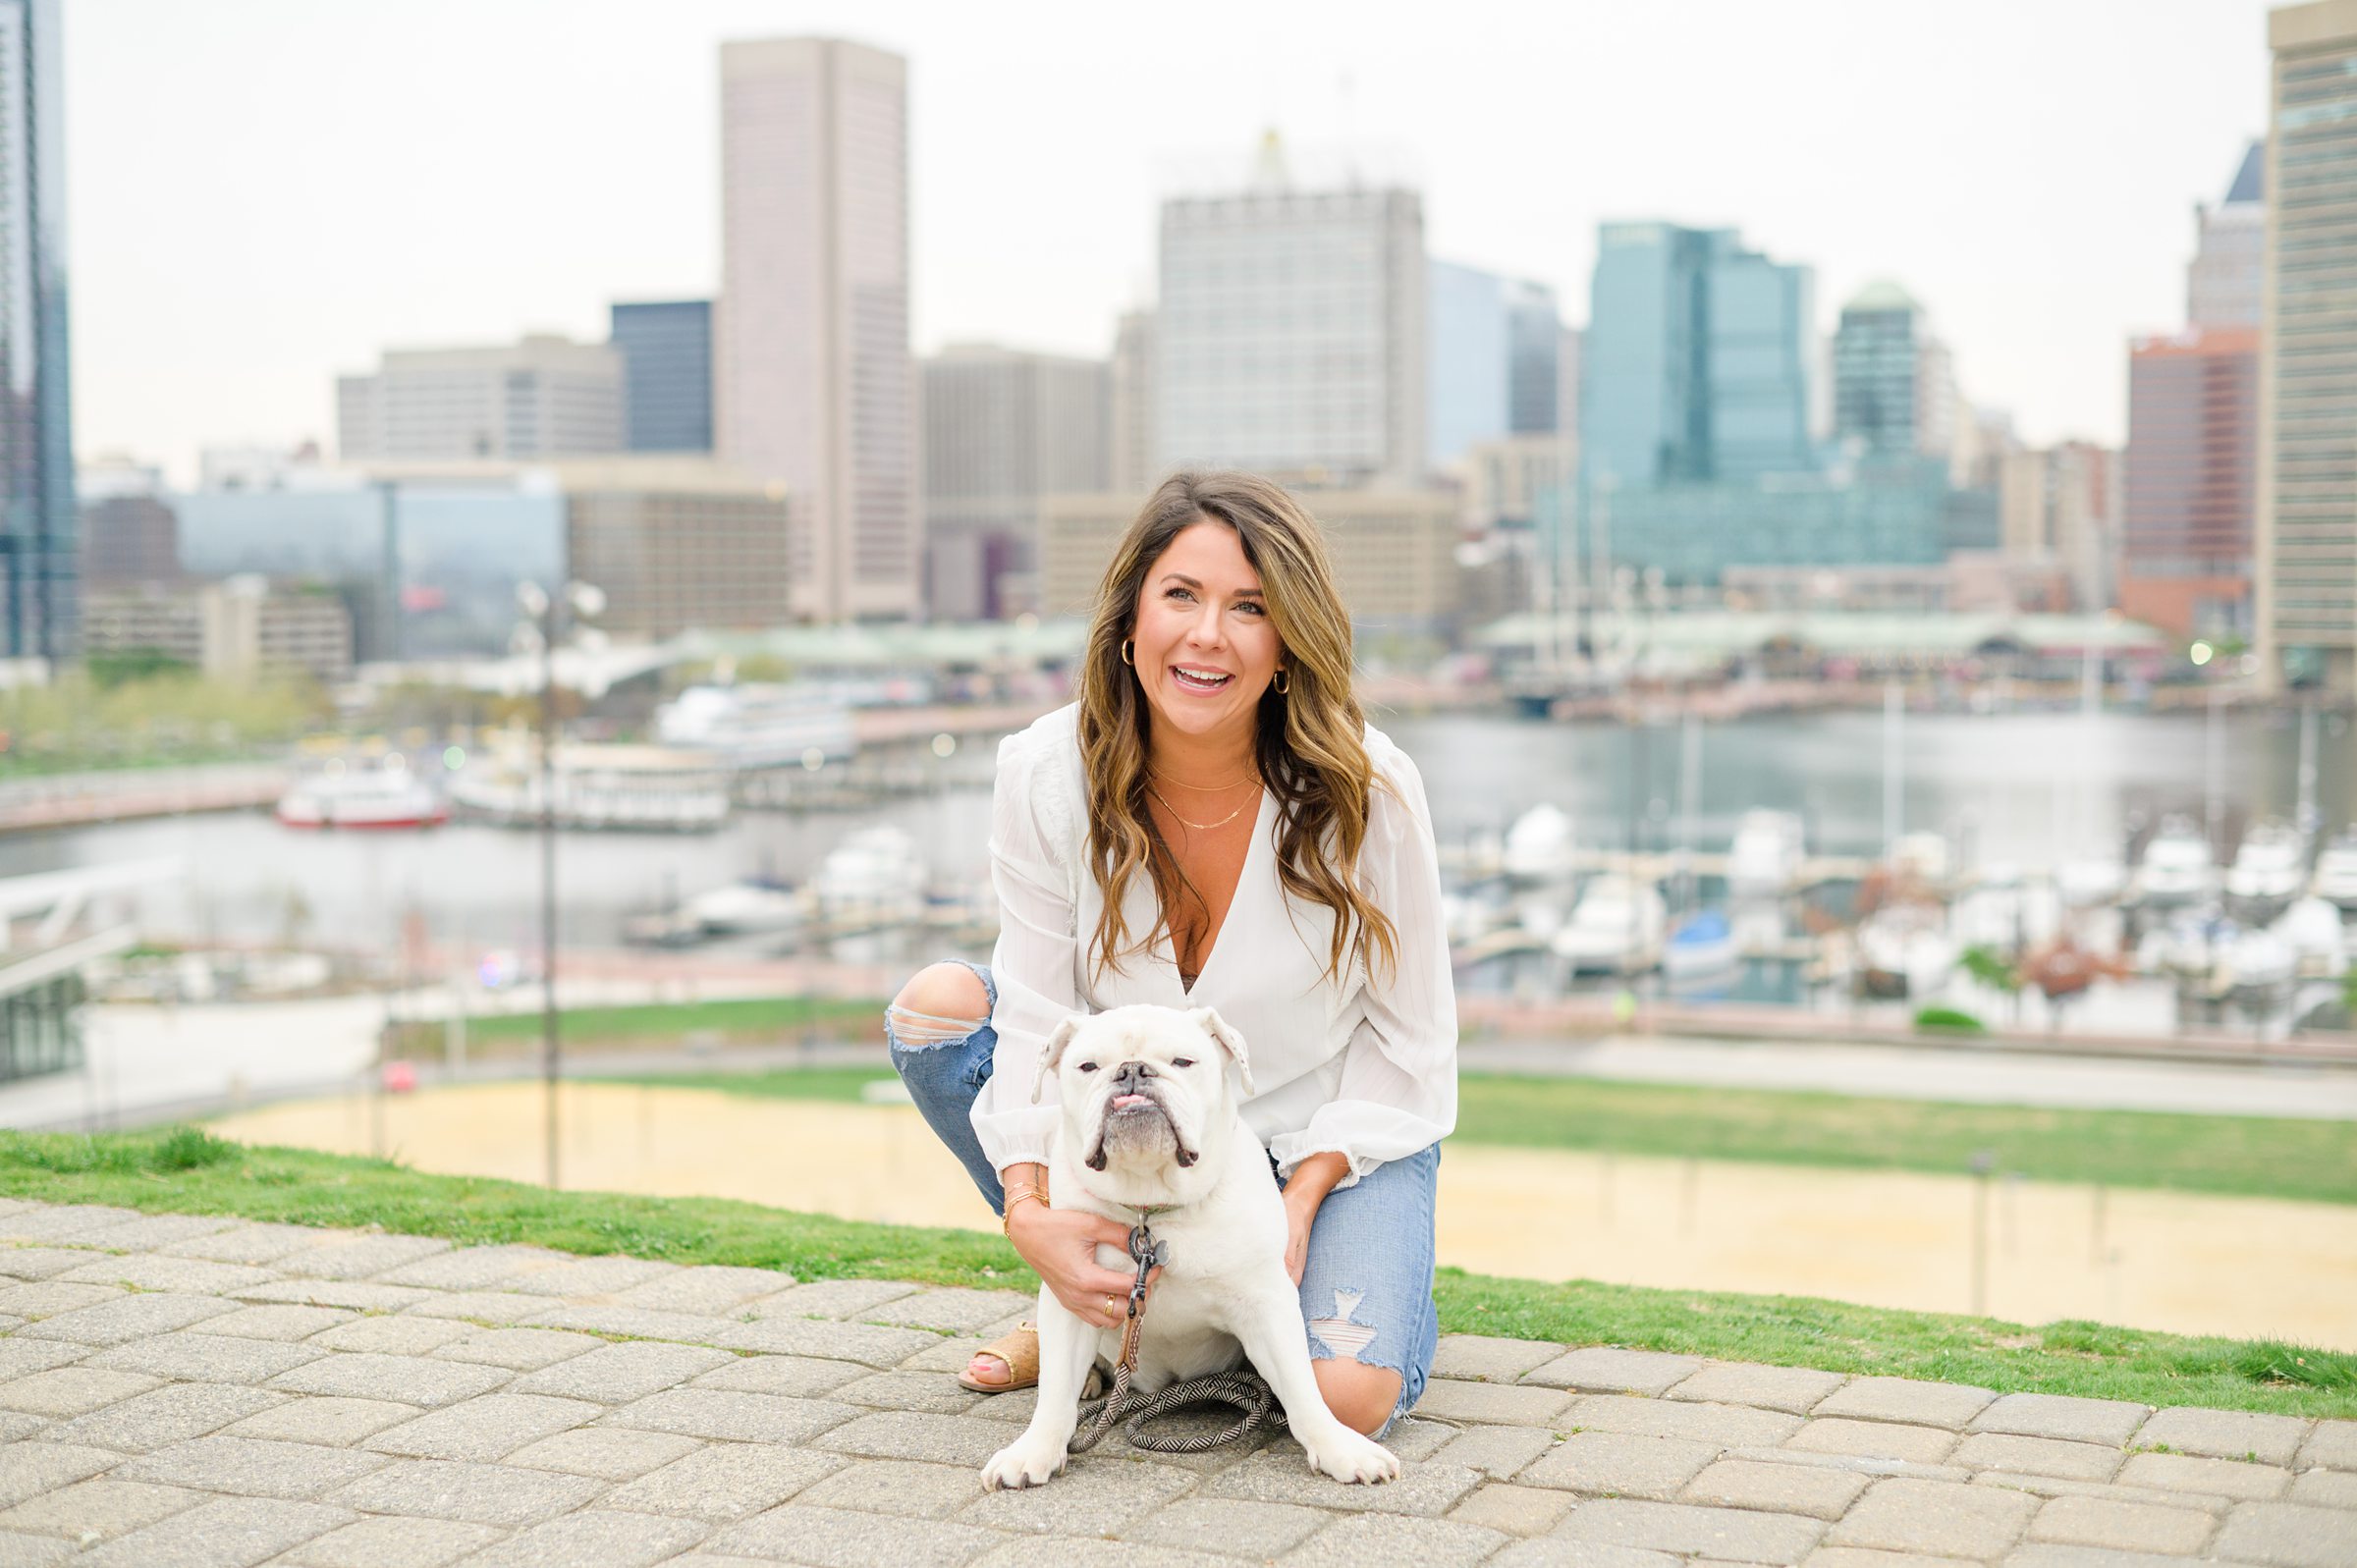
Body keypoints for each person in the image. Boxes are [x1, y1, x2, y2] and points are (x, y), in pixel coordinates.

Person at [885, 470, 1456, 1437]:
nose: (1207, 635)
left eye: (1250, 608)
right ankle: (1092, 1306)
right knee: (937, 1006)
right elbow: (1031, 1011)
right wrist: (1030, 1216)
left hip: (1321, 1137)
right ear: (1129, 621)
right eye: (1181, 596)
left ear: (1287, 646)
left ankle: (1228, 1312)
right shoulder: (1042, 772)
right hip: (1133, 1138)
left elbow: (1412, 1036)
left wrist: (1305, 1196)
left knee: (1349, 1399)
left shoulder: (1371, 790)